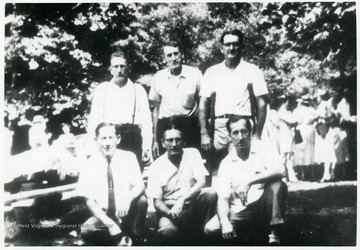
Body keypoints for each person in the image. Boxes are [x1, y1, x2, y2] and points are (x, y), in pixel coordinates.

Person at [204, 115, 287, 246]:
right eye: (235, 133)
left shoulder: (263, 147)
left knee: (277, 184)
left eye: (244, 131)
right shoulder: (226, 163)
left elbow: (281, 170)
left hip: (264, 205)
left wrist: (248, 181)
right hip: (241, 209)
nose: (240, 137)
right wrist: (225, 223)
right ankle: (248, 232)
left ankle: (274, 236)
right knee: (210, 229)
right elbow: (223, 199)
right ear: (230, 136)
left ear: (250, 132)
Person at [199, 29, 268, 173]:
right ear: (221, 48)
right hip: (218, 129)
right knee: (217, 170)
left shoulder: (252, 70)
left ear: (242, 47)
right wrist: (204, 134)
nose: (231, 48)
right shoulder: (212, 72)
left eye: (235, 44)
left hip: (242, 126)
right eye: (227, 44)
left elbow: (262, 104)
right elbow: (203, 105)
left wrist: (257, 134)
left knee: (243, 168)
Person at [77, 123, 148, 246]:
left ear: (118, 139)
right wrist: (109, 224)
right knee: (87, 230)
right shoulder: (89, 164)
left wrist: (127, 199)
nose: (108, 143)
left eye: (111, 137)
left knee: (142, 200)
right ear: (96, 140)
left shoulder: (129, 157)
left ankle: (136, 236)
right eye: (103, 138)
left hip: (126, 212)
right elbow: (88, 200)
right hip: (103, 216)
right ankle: (120, 240)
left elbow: (140, 185)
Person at [146, 124, 217, 245]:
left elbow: (202, 181)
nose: (174, 144)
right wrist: (171, 213)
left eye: (178, 139)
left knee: (210, 193)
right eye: (169, 140)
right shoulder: (156, 166)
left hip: (192, 205)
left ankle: (203, 236)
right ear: (163, 143)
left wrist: (182, 200)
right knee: (167, 231)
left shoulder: (193, 154)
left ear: (184, 142)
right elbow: (157, 202)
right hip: (170, 210)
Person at [87, 50, 152, 171]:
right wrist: (92, 146)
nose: (119, 70)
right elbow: (94, 120)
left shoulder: (138, 89)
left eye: (122, 66)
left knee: (134, 176)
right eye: (115, 66)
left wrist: (146, 146)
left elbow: (147, 121)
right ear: (110, 69)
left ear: (129, 68)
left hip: (132, 138)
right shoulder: (102, 89)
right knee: (111, 176)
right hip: (109, 138)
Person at [149, 41, 202, 159]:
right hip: (166, 127)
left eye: (176, 54)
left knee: (192, 163)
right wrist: (155, 139)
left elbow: (203, 105)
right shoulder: (159, 77)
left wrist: (204, 133)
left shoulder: (195, 74)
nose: (173, 58)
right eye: (169, 55)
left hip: (189, 127)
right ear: (164, 59)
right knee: (166, 166)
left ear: (181, 54)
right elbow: (155, 110)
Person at [293, 94, 317, 181]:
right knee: (310, 150)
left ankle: (303, 174)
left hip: (302, 129)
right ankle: (310, 173)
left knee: (301, 150)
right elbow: (316, 118)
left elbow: (296, 120)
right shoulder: (312, 110)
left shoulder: (297, 110)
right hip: (310, 129)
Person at [277, 92, 298, 182]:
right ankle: (283, 176)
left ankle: (291, 175)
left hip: (289, 135)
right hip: (283, 135)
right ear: (287, 101)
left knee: (290, 156)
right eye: (290, 102)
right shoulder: (281, 111)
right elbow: (292, 122)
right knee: (283, 156)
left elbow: (296, 121)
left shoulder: (289, 112)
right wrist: (294, 122)